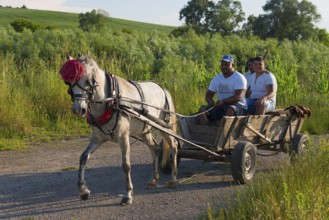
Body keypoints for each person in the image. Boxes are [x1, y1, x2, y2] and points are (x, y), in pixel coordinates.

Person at [198, 55, 247, 125]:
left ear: (232, 65)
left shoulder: (239, 78)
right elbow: (208, 94)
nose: (224, 67)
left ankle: (223, 131)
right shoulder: (216, 79)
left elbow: (239, 97)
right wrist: (211, 103)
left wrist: (223, 101)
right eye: (222, 65)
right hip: (221, 105)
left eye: (226, 65)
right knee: (202, 112)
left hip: (239, 106)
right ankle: (207, 131)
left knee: (230, 110)